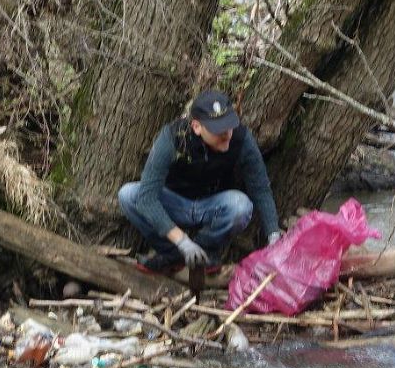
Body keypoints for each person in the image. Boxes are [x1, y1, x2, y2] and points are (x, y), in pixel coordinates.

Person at [118, 89, 283, 275]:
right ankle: (171, 255)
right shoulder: (174, 138)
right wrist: (182, 242)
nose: (226, 135)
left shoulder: (241, 139)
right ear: (197, 127)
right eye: (218, 130)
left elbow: (260, 188)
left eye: (228, 126)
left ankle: (204, 253)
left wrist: (273, 234)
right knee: (128, 194)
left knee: (241, 206)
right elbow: (147, 197)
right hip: (174, 202)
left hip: (213, 205)